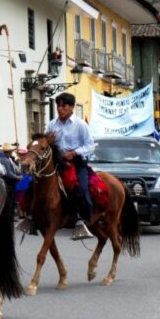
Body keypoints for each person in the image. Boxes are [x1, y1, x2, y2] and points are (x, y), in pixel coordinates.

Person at [45, 92, 96, 240]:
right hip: (57, 162)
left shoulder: (80, 125)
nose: (60, 109)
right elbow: (45, 144)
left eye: (64, 106)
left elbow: (90, 145)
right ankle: (32, 215)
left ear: (72, 107)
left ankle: (82, 217)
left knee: (81, 187)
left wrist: (74, 153)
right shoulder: (51, 124)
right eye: (58, 106)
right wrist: (48, 140)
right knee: (37, 181)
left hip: (76, 162)